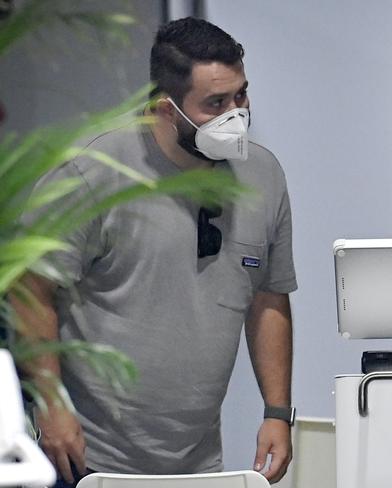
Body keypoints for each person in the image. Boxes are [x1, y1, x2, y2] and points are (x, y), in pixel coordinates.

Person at [13, 17, 297, 486]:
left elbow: (269, 297)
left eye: (241, 95)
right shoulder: (91, 172)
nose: (237, 114)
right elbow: (31, 290)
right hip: (86, 458)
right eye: (216, 103)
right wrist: (52, 408)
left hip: (199, 463)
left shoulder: (264, 176)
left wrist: (277, 411)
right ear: (166, 109)